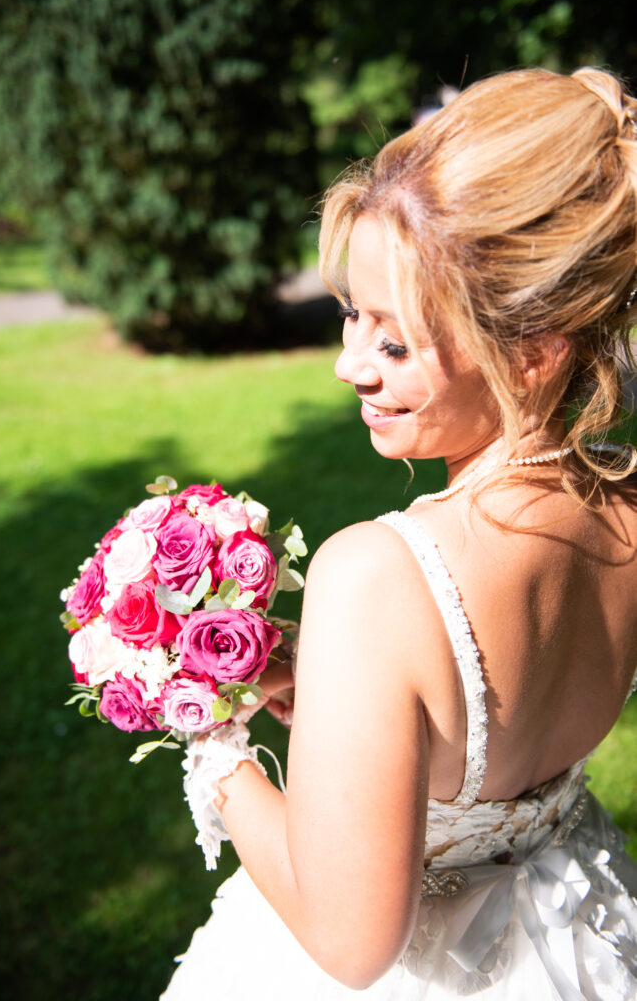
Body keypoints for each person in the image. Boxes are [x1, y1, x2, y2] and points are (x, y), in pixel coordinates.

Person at [161, 67, 637, 1000]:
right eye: (350, 315)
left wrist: (212, 746)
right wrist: (344, 685)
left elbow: (352, 943)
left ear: (533, 356)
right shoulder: (625, 507)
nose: (349, 367)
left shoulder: (379, 575)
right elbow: (502, 716)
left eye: (393, 341)